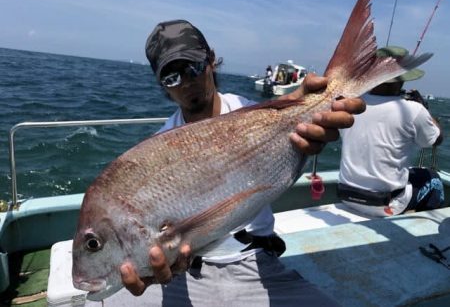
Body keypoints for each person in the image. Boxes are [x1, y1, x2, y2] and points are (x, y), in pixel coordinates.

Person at [88, 19, 365, 307]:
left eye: (192, 68)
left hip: (253, 261)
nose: (186, 84)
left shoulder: (250, 114)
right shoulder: (157, 149)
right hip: (184, 273)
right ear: (162, 85)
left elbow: (289, 145)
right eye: (172, 78)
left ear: (210, 61)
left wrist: (310, 124)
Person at [338, 46, 444, 217]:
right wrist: (424, 109)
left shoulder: (350, 104)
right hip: (386, 204)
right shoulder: (413, 109)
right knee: (433, 179)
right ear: (401, 79)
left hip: (346, 196)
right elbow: (436, 139)